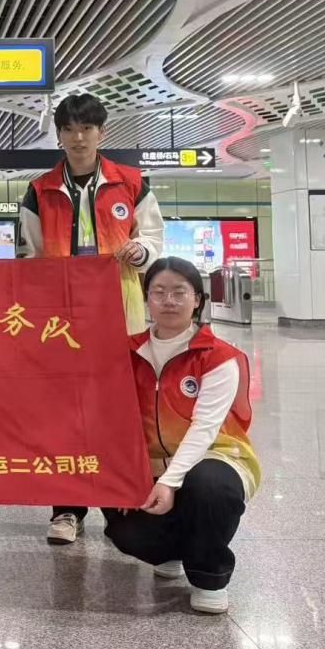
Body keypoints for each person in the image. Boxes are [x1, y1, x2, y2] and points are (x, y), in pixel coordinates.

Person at [20, 93, 164, 546]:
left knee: (119, 408)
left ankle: (118, 502)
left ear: (103, 133)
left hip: (119, 311)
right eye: (69, 129)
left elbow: (154, 238)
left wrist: (141, 252)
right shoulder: (40, 190)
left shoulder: (131, 183)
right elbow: (30, 256)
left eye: (86, 128)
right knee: (63, 412)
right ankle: (66, 508)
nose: (78, 137)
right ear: (59, 135)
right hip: (61, 319)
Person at [102, 257, 261, 614]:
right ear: (146, 299)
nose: (168, 301)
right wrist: (128, 474)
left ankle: (209, 577)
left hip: (215, 456)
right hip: (150, 462)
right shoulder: (126, 352)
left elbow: (204, 428)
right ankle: (171, 550)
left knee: (209, 488)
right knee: (125, 529)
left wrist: (169, 481)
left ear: (197, 300)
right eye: (158, 292)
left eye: (179, 292)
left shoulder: (218, 357)